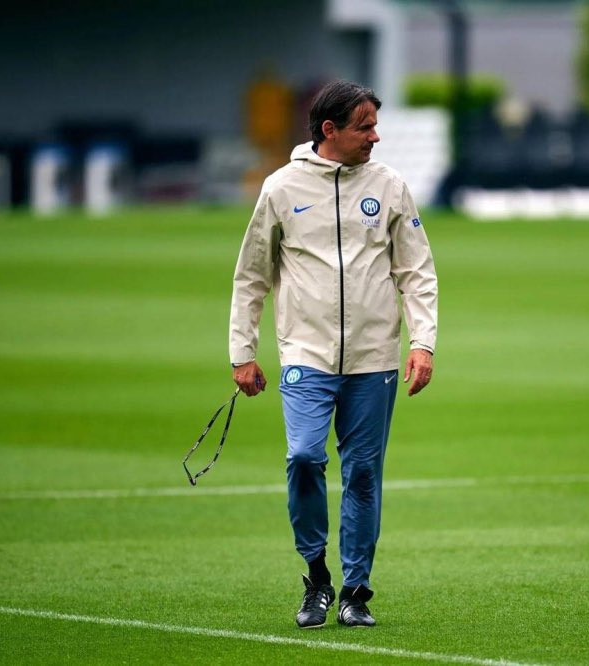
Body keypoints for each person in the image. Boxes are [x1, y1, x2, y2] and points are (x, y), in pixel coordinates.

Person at [229, 80, 438, 629]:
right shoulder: (281, 187)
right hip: (306, 355)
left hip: (375, 359)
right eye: (365, 127)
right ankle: (316, 576)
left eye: (375, 126)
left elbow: (417, 272)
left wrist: (422, 343)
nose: (375, 136)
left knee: (364, 473)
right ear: (330, 130)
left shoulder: (390, 187)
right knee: (303, 457)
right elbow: (251, 275)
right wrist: (242, 352)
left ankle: (356, 592)